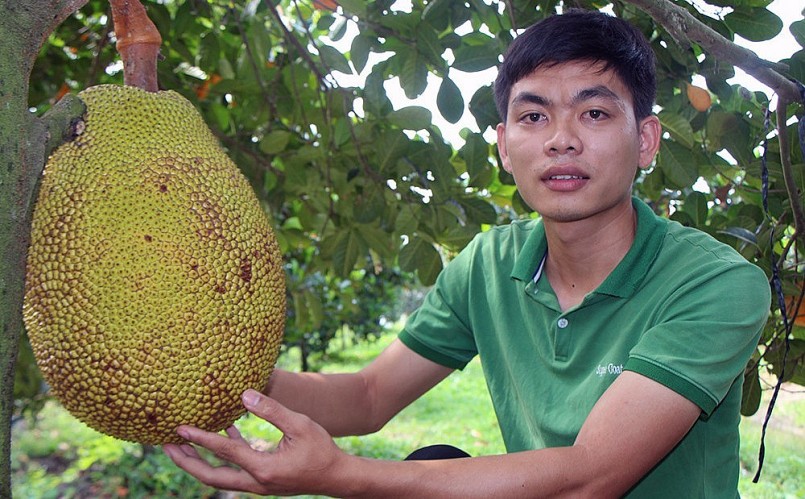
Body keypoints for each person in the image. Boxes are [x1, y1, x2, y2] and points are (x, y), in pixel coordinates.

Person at [164, 9, 770, 497]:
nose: (561, 140)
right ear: (504, 145)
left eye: (593, 113)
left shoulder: (716, 284)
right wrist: (218, 373)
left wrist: (341, 475)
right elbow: (369, 397)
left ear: (646, 140)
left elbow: (589, 477)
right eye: (533, 116)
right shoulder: (488, 264)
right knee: (434, 460)